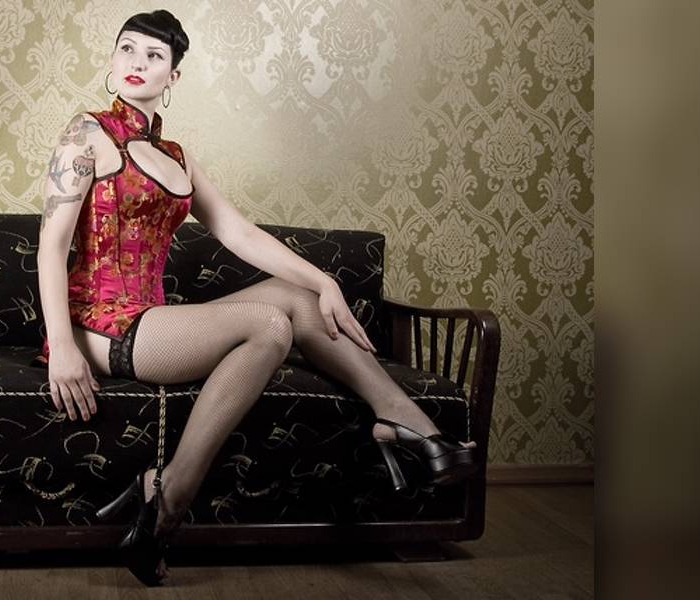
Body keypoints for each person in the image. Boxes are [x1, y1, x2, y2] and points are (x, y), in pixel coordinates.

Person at [34, 9, 478, 587]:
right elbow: (51, 247)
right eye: (128, 49)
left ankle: (402, 418)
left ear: (173, 76)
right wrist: (63, 348)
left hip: (152, 318)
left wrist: (324, 281)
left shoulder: (177, 156)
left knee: (295, 297)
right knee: (269, 325)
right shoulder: (86, 133)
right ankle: (171, 493)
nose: (137, 62)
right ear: (112, 60)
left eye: (154, 55)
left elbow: (237, 232)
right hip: (98, 323)